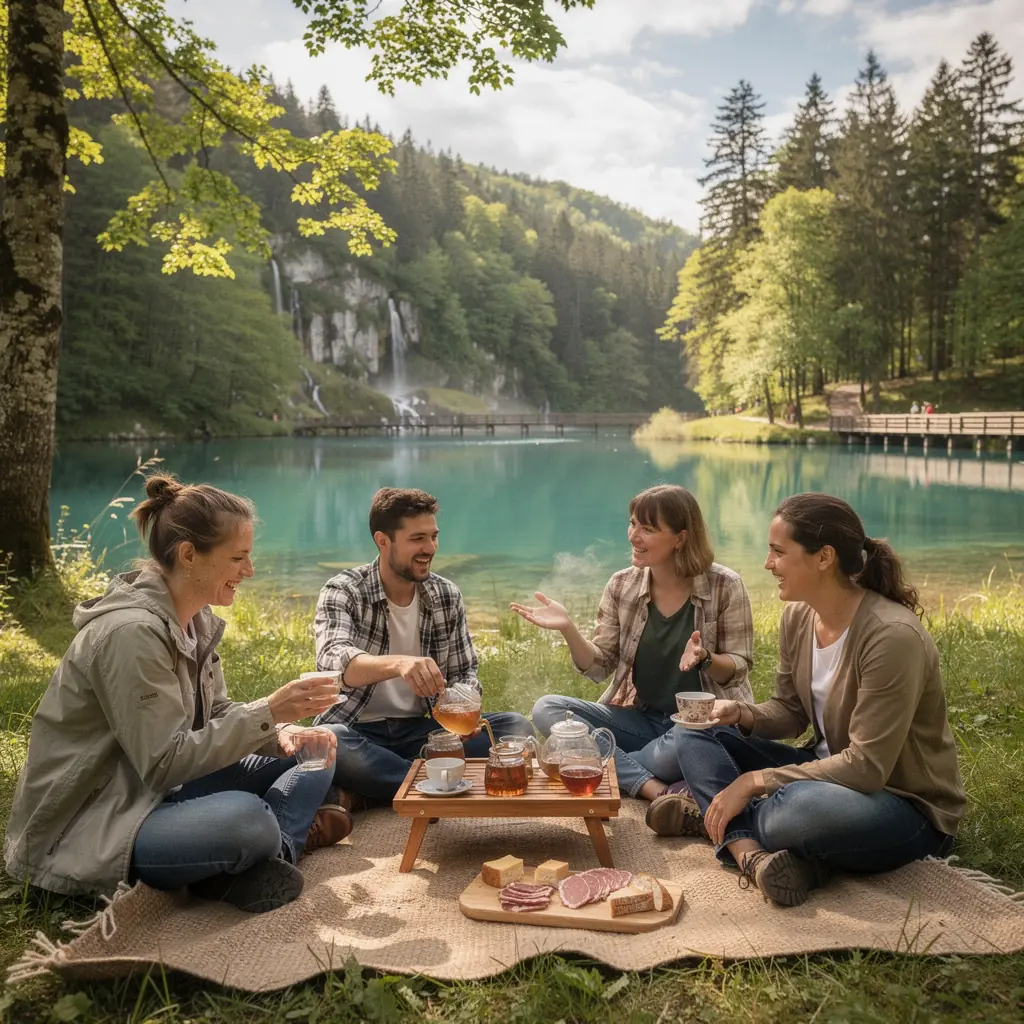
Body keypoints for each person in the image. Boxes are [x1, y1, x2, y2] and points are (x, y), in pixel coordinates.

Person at [4, 475, 352, 914]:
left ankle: (238, 865)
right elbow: (163, 763)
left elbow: (215, 712)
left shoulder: (194, 617)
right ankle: (257, 849)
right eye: (238, 558)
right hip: (101, 819)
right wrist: (269, 708)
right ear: (189, 555)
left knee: (317, 753)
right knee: (248, 819)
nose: (250, 571)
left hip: (158, 792)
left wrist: (282, 729)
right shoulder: (130, 635)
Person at [650, 493, 965, 908]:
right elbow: (791, 712)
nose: (767, 564)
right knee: (695, 734)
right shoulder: (799, 618)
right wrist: (740, 713)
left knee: (794, 810)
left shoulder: (891, 637)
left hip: (904, 804)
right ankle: (752, 852)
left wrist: (751, 782)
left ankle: (715, 818)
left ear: (824, 557)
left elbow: (868, 767)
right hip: (829, 776)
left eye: (778, 552)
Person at [518, 485, 754, 812]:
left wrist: (705, 659)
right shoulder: (621, 584)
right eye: (632, 524)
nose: (633, 536)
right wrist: (568, 629)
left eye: (647, 529)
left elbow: (739, 667)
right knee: (548, 709)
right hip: (642, 722)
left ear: (681, 538)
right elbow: (600, 666)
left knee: (601, 749)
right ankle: (656, 787)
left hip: (699, 729)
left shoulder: (725, 585)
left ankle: (613, 765)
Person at [314, 487, 533, 803]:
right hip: (358, 731)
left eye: (434, 537)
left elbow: (464, 672)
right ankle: (430, 782)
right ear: (382, 540)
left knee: (515, 726)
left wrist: (467, 706)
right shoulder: (344, 591)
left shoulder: (446, 595)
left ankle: (372, 788)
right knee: (330, 740)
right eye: (417, 539)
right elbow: (333, 661)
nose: (430, 548)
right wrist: (400, 663)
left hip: (425, 734)